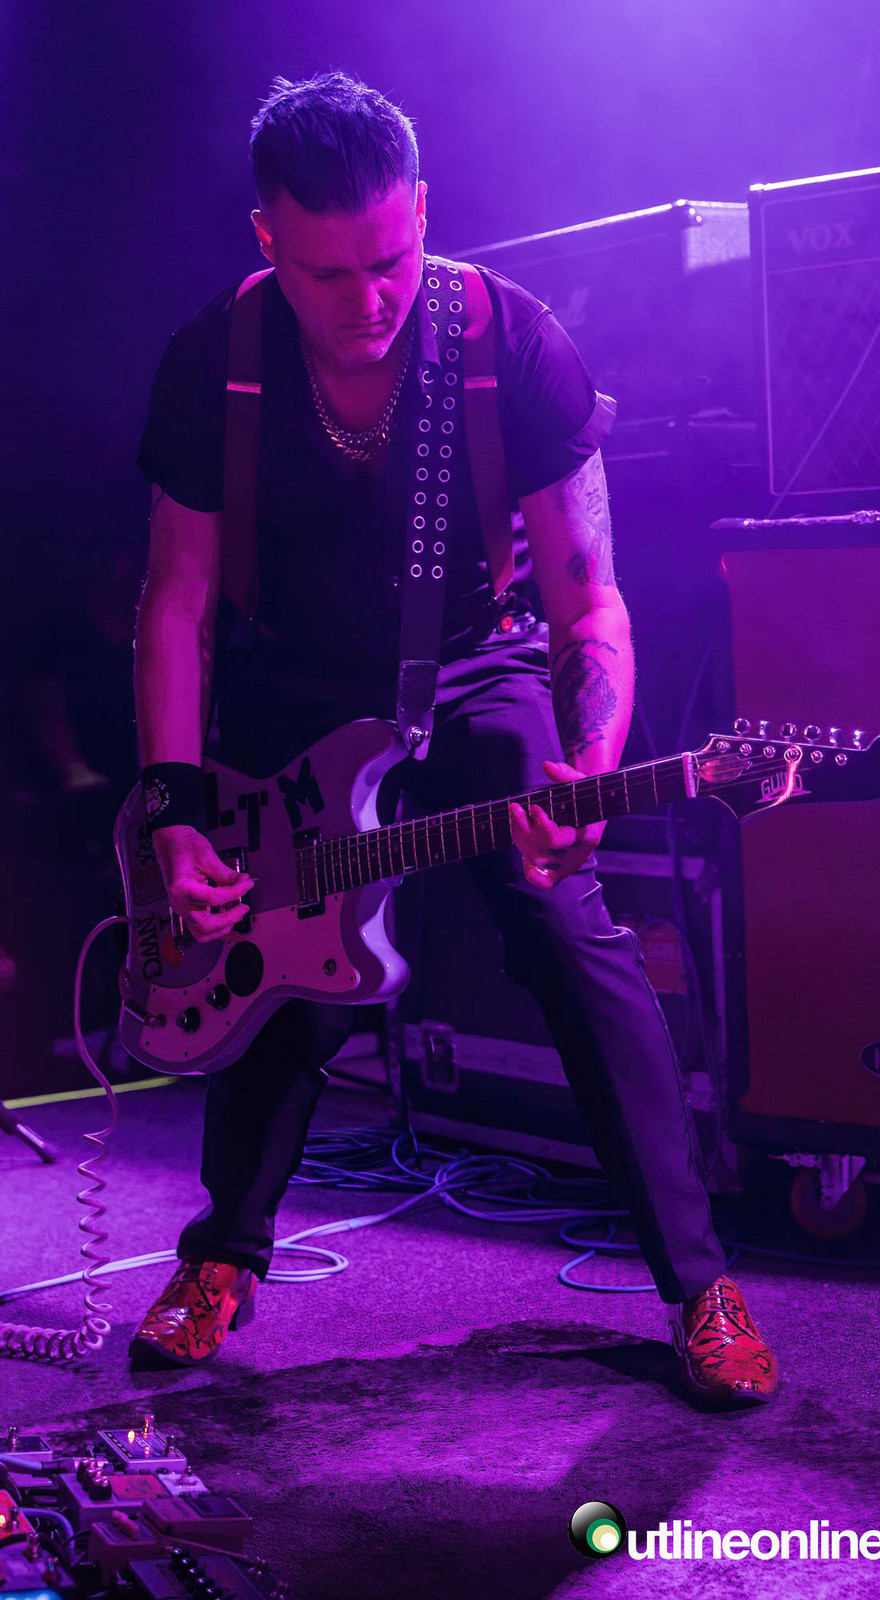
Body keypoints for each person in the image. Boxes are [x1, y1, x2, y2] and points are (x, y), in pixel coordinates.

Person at [128, 70, 778, 1408]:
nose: (367, 299)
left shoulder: (510, 341)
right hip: (294, 688)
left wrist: (588, 767)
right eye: (326, 272)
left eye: (389, 260)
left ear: (422, 211)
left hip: (476, 669)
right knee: (277, 964)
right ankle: (222, 1256)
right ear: (266, 238)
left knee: (565, 925)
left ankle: (699, 1286)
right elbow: (176, 599)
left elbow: (587, 598)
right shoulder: (214, 362)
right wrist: (176, 810)